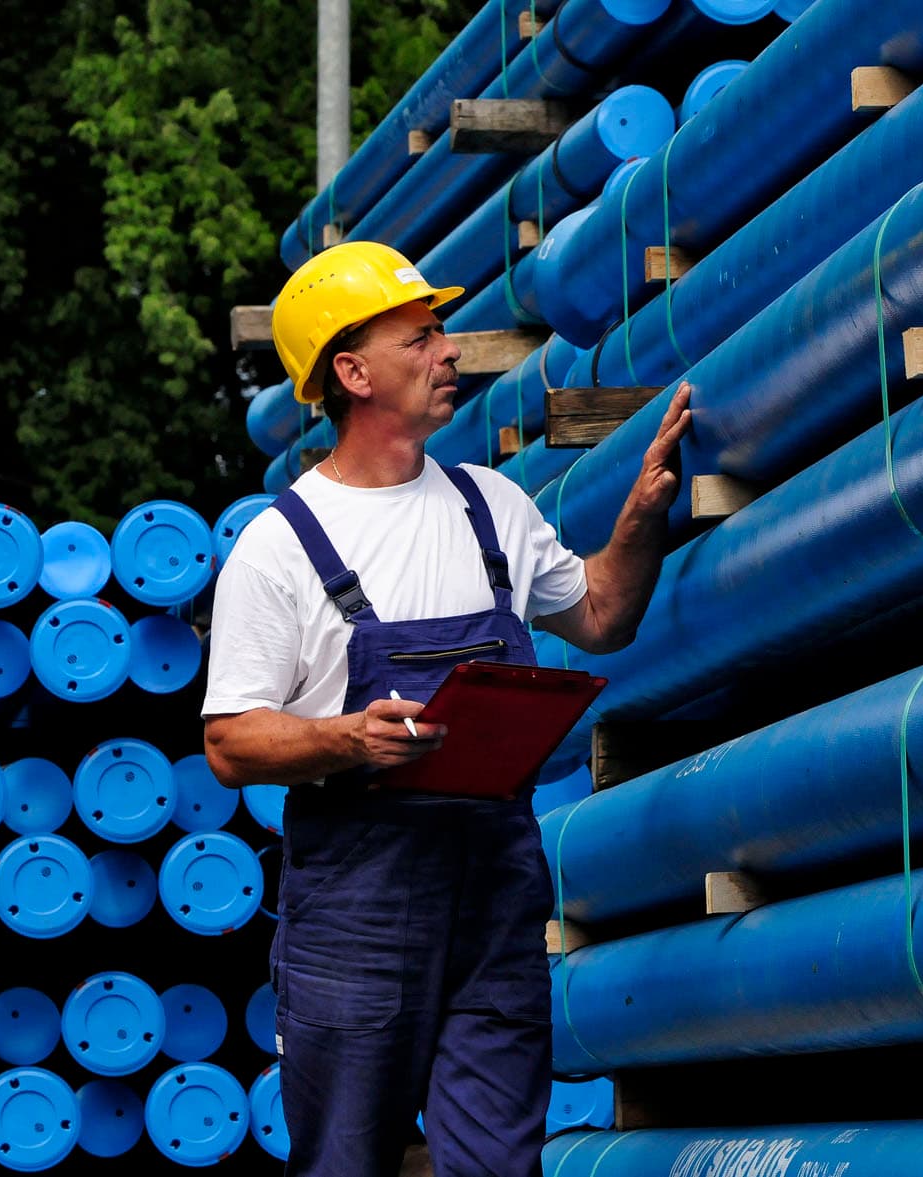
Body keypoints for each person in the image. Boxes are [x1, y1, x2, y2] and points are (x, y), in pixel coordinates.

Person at [202, 241, 690, 1176]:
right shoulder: (280, 546)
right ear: (353, 372)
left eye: (441, 333)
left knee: (497, 1163)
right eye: (420, 336)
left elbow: (599, 615)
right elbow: (230, 741)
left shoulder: (491, 507)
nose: (450, 351)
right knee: (347, 1160)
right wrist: (347, 737)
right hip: (359, 909)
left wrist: (640, 518)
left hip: (494, 894)